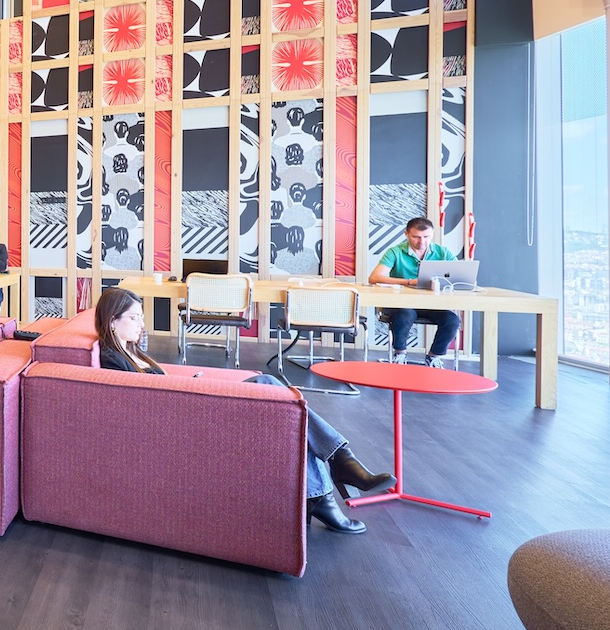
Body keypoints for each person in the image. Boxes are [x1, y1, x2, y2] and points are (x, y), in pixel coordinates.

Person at [94, 286, 395, 534]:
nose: (142, 324)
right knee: (272, 388)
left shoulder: (131, 351)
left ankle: (327, 486)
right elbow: (139, 403)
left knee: (282, 403)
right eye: (134, 318)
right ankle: (339, 466)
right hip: (185, 423)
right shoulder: (112, 360)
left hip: (188, 407)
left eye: (141, 317)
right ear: (112, 321)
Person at [368, 216, 461, 365]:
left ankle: (433, 356)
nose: (422, 241)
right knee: (404, 315)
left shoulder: (442, 252)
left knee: (452, 320)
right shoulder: (395, 252)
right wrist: (409, 282)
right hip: (403, 304)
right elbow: (374, 278)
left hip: (433, 305)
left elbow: (459, 275)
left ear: (432, 234)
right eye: (416, 237)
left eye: (426, 237)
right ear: (406, 234)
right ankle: (400, 354)